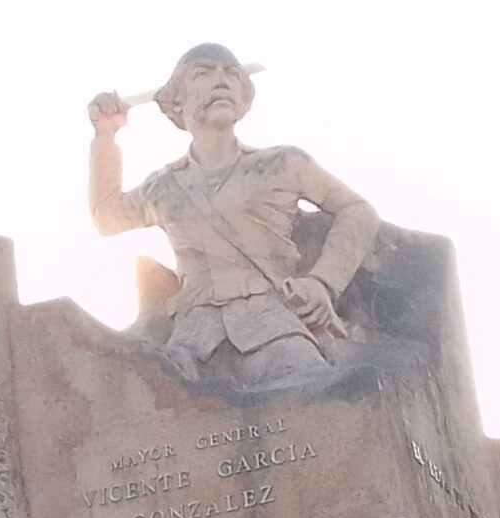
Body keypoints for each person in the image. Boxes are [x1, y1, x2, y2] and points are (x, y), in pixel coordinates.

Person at [87, 43, 378, 389]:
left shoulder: (283, 164)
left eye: (231, 75)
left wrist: (323, 281)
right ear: (177, 101)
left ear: (243, 97)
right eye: (203, 74)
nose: (221, 81)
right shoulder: (163, 187)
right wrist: (106, 135)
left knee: (316, 397)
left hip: (273, 327)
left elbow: (358, 210)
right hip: (193, 342)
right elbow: (106, 216)